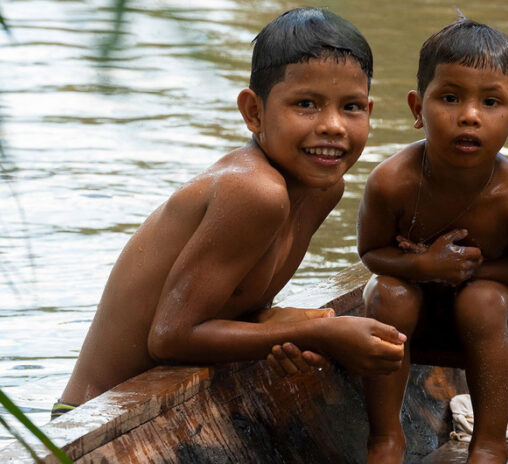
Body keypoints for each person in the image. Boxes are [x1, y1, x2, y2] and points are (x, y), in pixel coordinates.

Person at [55, 8, 407, 419]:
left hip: (175, 410)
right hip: (92, 417)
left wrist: (270, 325)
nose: (333, 126)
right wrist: (320, 332)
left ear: (369, 110)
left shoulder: (322, 190)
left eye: (351, 108)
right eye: (306, 104)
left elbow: (223, 309)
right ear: (254, 112)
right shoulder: (254, 190)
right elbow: (169, 338)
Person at [356, 17, 508, 464]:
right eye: (449, 98)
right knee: (388, 295)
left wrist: (471, 272)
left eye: (490, 102)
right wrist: (425, 268)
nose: (469, 115)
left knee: (482, 302)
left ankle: (489, 443)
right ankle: (386, 439)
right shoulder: (391, 182)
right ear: (417, 108)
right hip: (411, 302)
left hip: (485, 316)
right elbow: (371, 254)